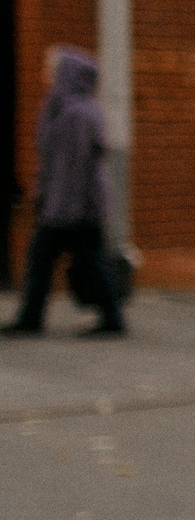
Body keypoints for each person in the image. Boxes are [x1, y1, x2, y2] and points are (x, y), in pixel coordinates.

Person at [6, 47, 124, 339]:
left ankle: (32, 318)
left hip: (73, 206)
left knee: (48, 258)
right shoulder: (65, 107)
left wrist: (60, 208)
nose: (45, 75)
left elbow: (74, 166)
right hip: (70, 203)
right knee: (85, 259)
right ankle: (110, 317)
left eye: (51, 69)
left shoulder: (77, 112)